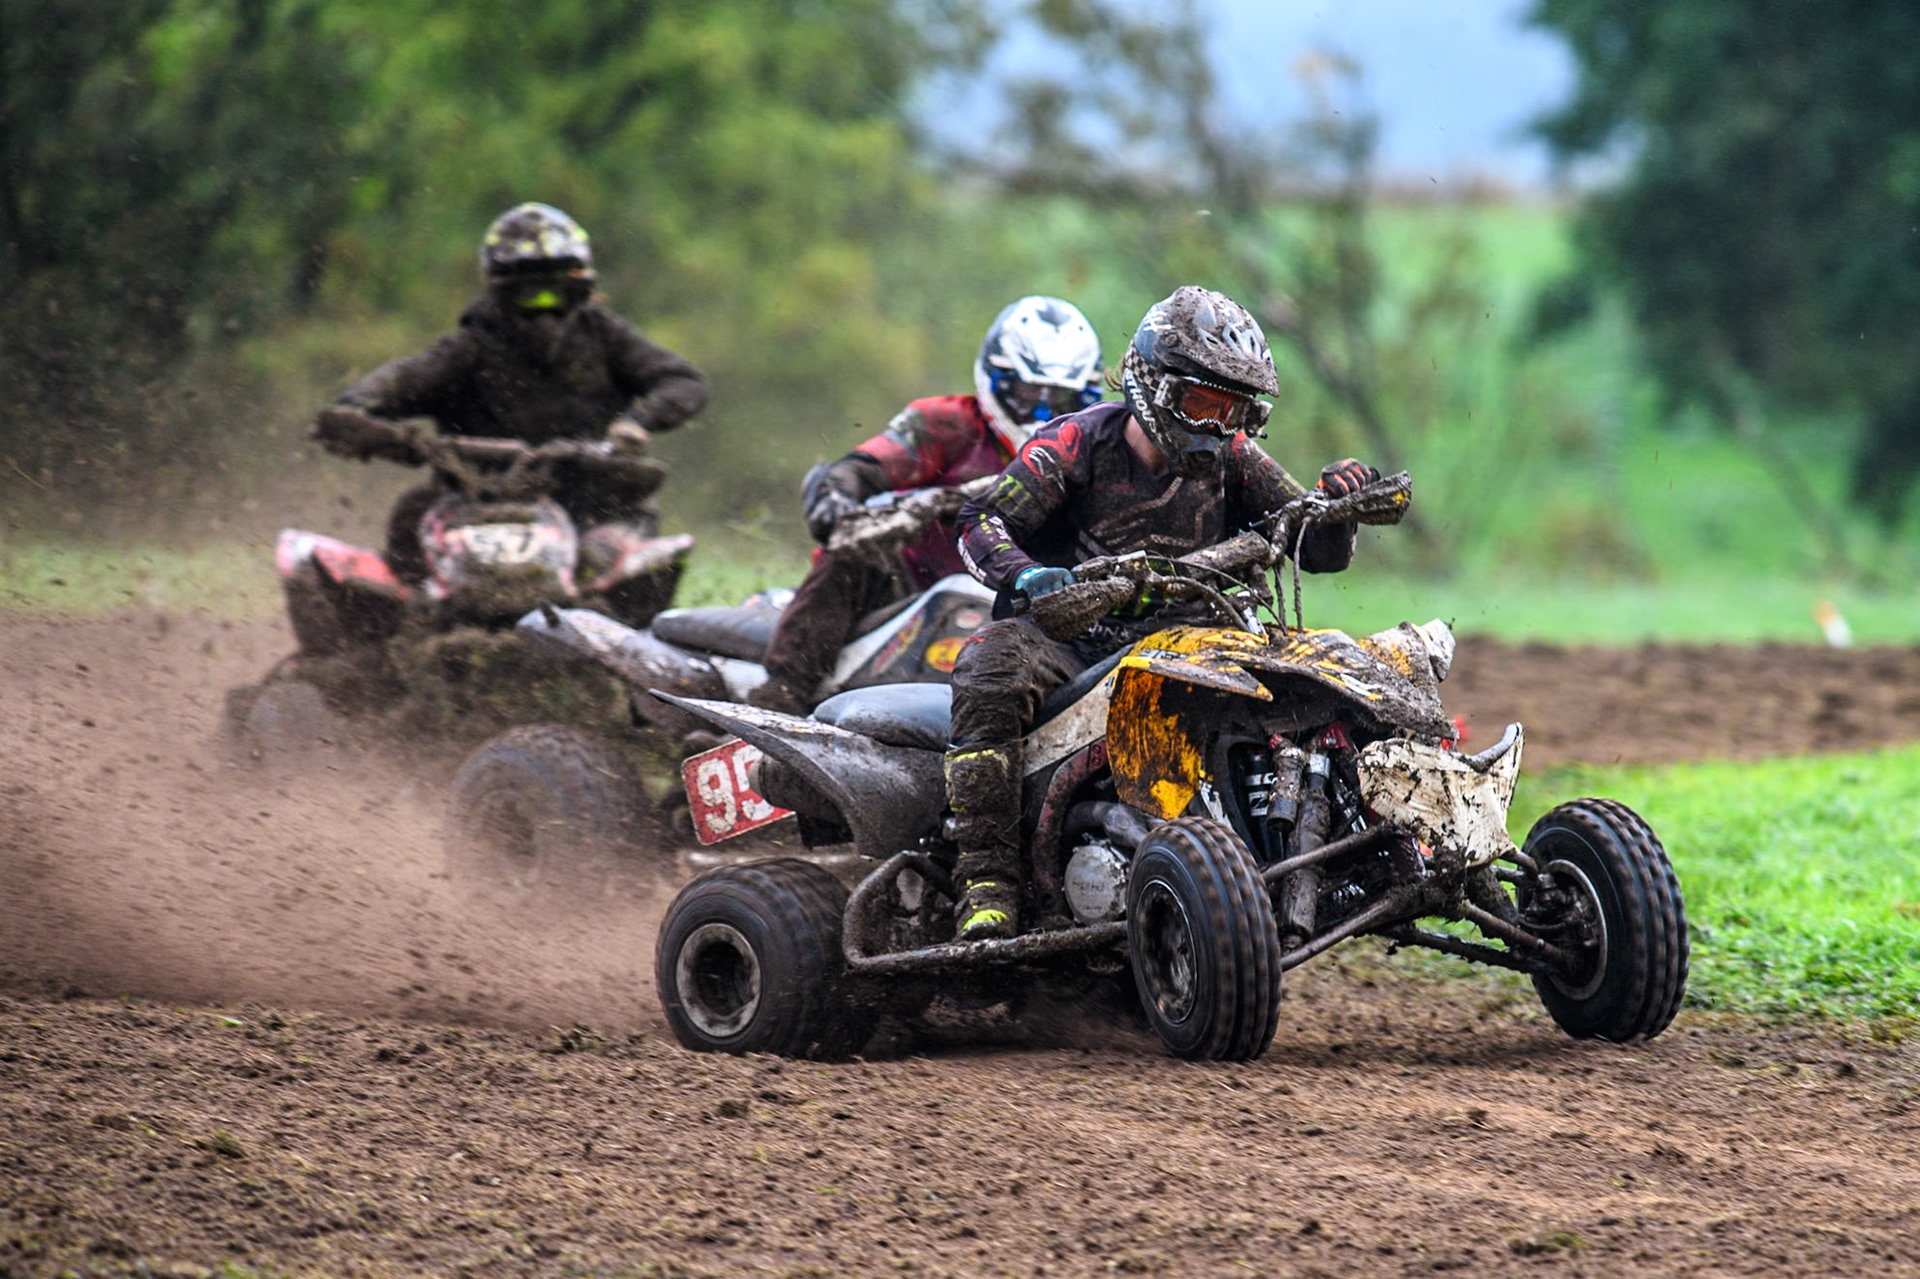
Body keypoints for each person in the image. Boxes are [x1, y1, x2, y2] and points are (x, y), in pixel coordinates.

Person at [946, 285, 1382, 940]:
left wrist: (1339, 508)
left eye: (1234, 411)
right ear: (1151, 382)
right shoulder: (1073, 442)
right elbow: (980, 519)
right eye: (1202, 404)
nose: (1216, 427)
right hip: (1069, 635)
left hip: (1187, 632)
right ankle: (987, 882)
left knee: (1312, 677)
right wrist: (1031, 576)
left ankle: (1344, 844)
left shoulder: (1235, 459)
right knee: (988, 663)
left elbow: (1312, 547)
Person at [309, 202, 709, 582]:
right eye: (529, 292)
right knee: (409, 537)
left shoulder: (605, 336)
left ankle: (627, 645)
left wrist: (637, 423)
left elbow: (683, 381)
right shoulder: (470, 347)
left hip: (592, 499)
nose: (543, 309)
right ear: (500, 290)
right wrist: (355, 415)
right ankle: (391, 642)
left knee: (625, 566)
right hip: (475, 498)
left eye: (556, 290)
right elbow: (398, 383)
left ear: (582, 287)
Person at [747, 296, 1106, 713]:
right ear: (998, 377)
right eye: (1030, 392)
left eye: (1062, 400)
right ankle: (781, 696)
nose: (1044, 410)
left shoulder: (1094, 450)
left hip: (1027, 601)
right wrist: (836, 496)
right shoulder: (949, 423)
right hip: (910, 589)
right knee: (857, 551)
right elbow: (867, 466)